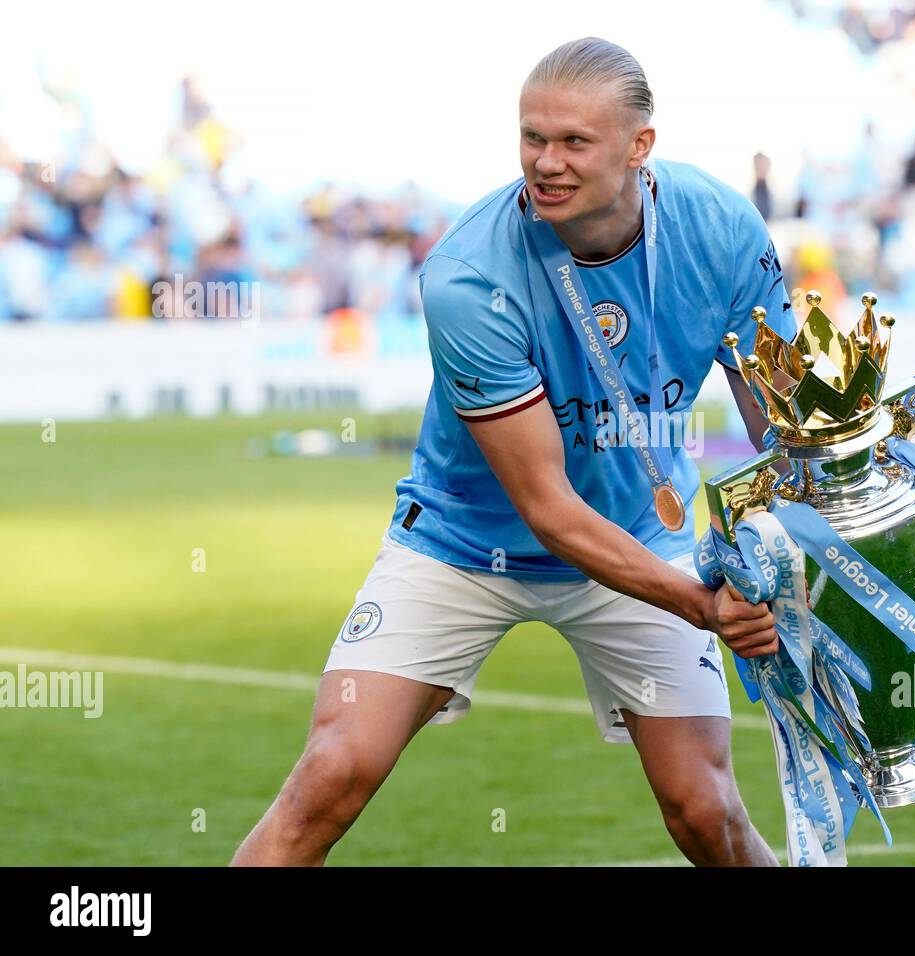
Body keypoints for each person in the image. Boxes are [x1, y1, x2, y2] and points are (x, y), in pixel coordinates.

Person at [231, 37, 795, 867]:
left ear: (640, 146)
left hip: (642, 533)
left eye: (574, 142)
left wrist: (810, 545)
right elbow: (549, 509)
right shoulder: (467, 274)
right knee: (330, 777)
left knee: (704, 811)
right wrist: (701, 603)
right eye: (533, 138)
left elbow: (774, 424)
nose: (546, 162)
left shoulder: (719, 228)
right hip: (462, 545)